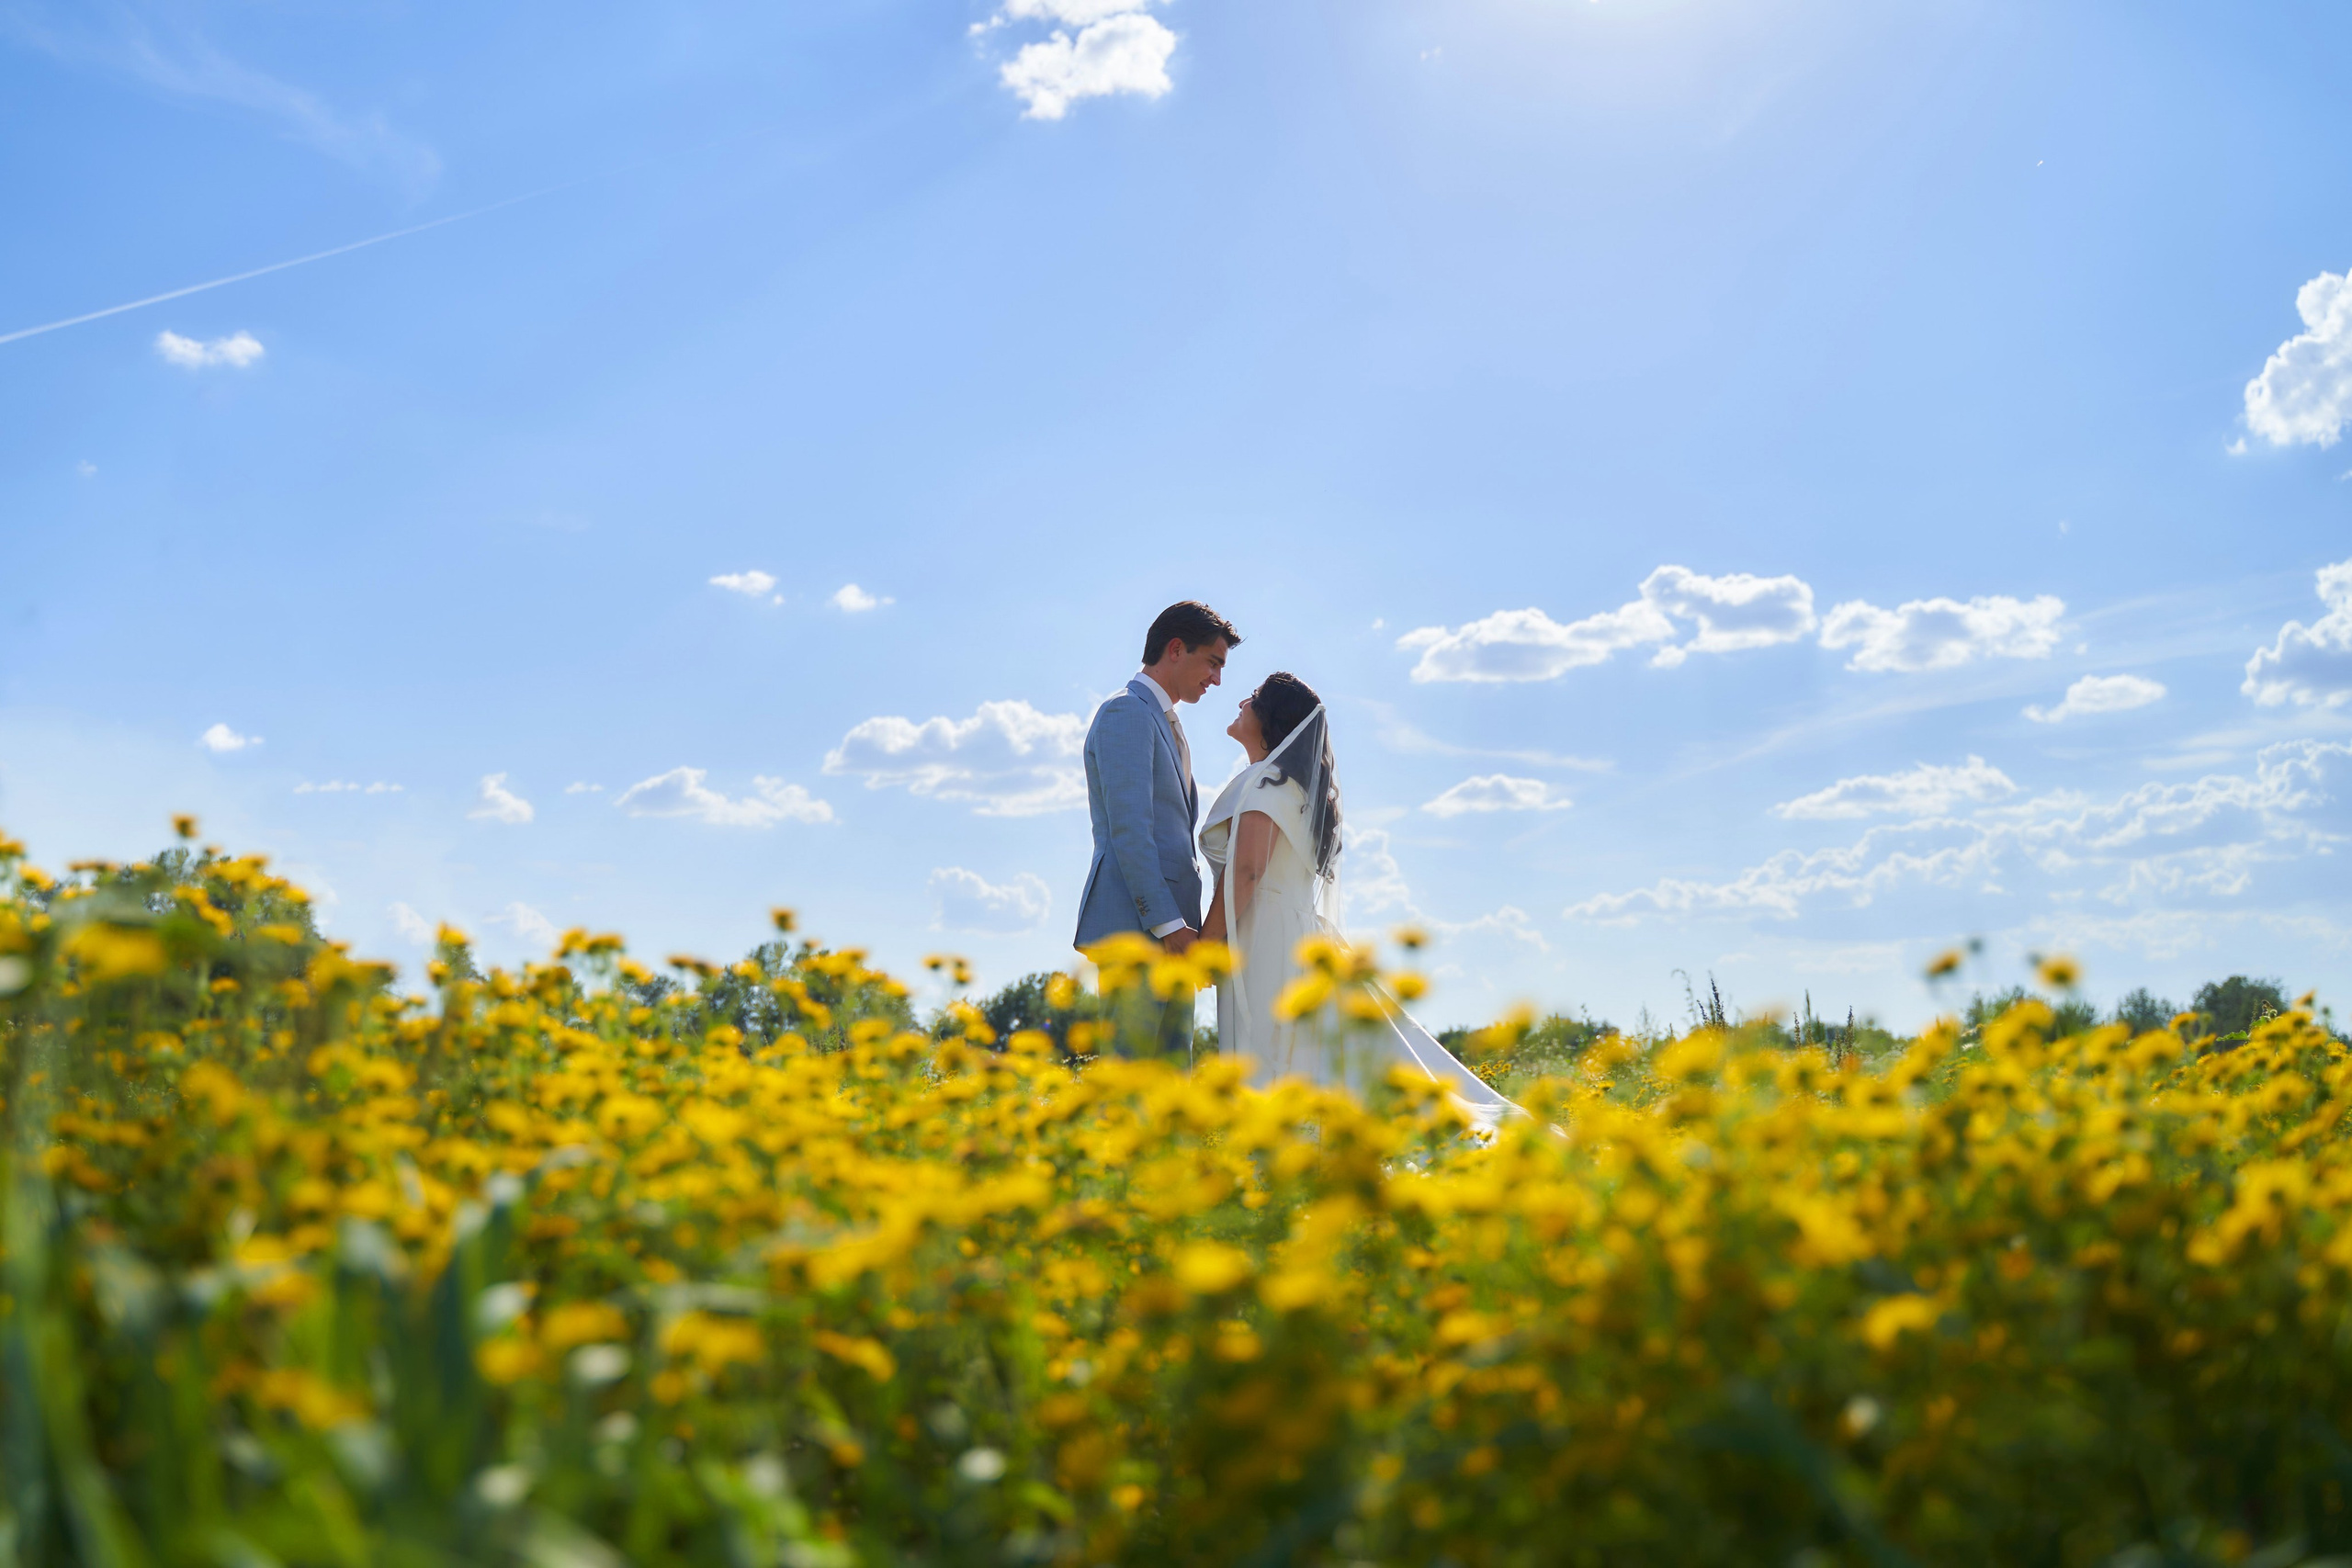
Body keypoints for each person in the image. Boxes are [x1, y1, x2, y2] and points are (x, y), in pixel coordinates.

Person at [1198, 672, 1521, 1132]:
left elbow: (1247, 871)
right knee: (1286, 1050)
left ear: (1271, 720)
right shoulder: (1295, 791)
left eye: (1252, 698)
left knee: (1267, 1047)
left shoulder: (1268, 785)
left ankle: (1275, 1156)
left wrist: (1207, 945)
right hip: (1283, 929)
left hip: (1265, 935)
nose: (1241, 702)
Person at [1073, 601, 1239, 1055]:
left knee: (1167, 1096)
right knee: (1130, 1088)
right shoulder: (1127, 713)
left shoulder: (1163, 720)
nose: (1217, 679)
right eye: (1213, 662)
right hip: (1139, 930)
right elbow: (1130, 831)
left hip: (1172, 934)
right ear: (1176, 649)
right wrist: (1171, 928)